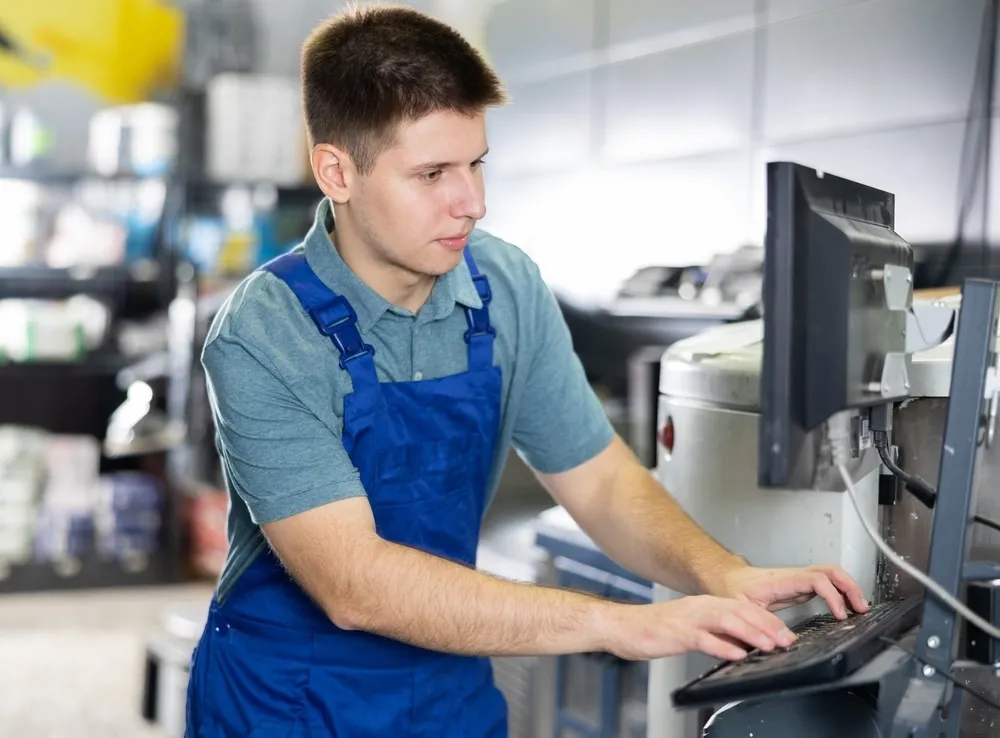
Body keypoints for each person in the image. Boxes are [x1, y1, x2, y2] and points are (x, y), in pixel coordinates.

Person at [185, 5, 870, 737]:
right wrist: (620, 625)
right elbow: (355, 586)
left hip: (447, 685)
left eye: (476, 163)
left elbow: (599, 479)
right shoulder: (264, 333)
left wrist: (723, 572)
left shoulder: (503, 286)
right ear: (337, 172)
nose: (472, 202)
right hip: (288, 700)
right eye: (432, 173)